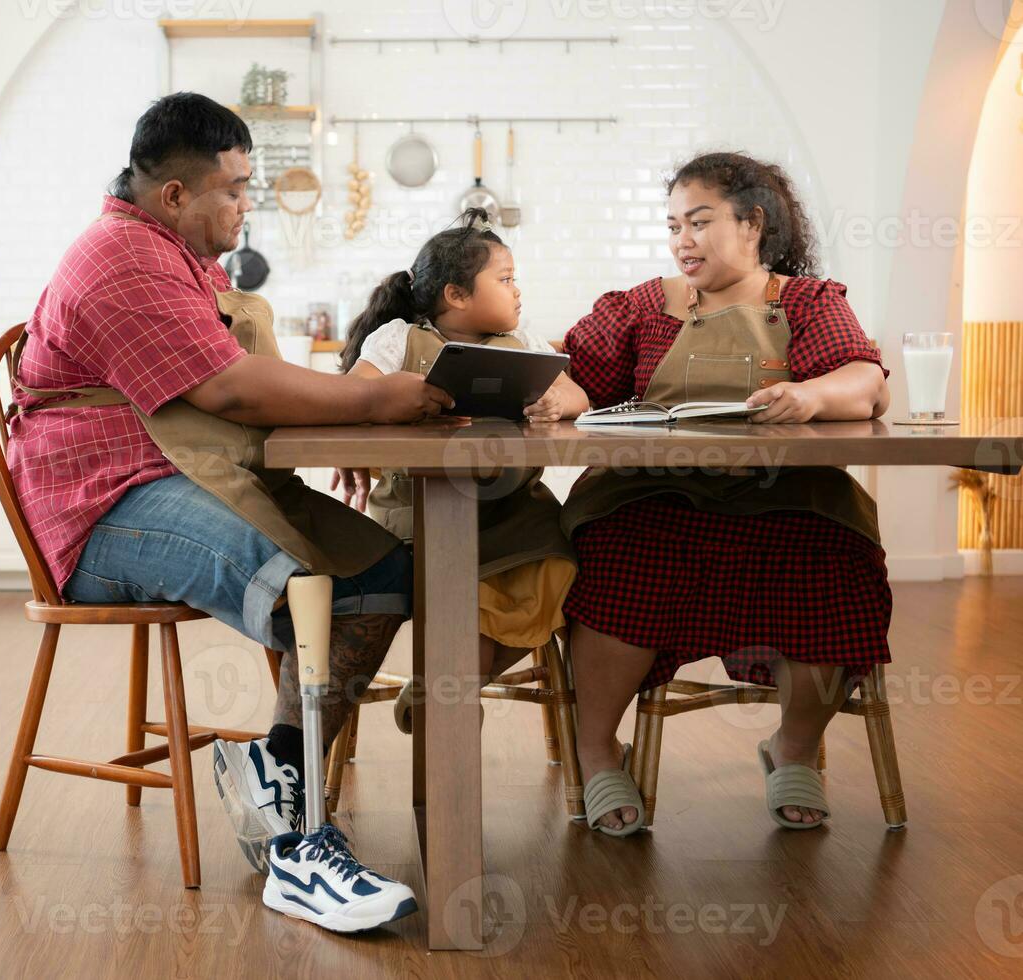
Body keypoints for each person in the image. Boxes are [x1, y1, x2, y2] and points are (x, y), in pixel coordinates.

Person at [6, 92, 449, 929]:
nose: (249, 205)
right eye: (237, 189)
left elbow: (230, 394)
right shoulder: (122, 258)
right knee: (302, 590)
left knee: (382, 573)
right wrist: (368, 405)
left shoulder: (179, 257)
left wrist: (353, 418)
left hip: (179, 474)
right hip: (103, 507)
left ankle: (274, 776)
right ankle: (302, 850)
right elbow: (228, 388)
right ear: (176, 195)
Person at [550, 150, 892, 836]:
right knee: (623, 560)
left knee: (835, 565)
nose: (683, 240)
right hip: (647, 496)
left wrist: (811, 393)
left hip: (787, 495)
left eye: (699, 222)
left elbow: (867, 381)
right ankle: (595, 750)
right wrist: (551, 399)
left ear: (753, 222)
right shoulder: (642, 305)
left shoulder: (808, 302)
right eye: (674, 224)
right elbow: (571, 378)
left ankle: (792, 748)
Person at [336, 208, 583, 731]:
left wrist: (559, 405)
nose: (518, 291)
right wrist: (355, 439)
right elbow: (353, 395)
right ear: (457, 295)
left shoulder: (526, 344)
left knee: (561, 567)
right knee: (456, 592)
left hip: (513, 516)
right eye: (506, 278)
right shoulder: (400, 339)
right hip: (419, 517)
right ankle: (449, 702)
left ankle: (442, 690)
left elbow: (576, 394)